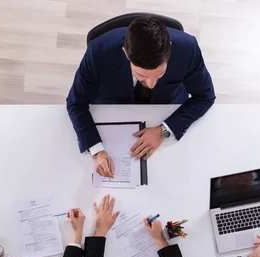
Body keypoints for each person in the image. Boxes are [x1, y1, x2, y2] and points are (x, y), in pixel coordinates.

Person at [67, 16, 216, 178]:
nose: (151, 84)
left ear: (170, 49)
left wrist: (163, 130)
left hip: (165, 109)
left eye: (159, 75)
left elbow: (205, 96)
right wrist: (96, 150)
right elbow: (75, 103)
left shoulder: (188, 48)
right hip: (113, 108)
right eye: (142, 76)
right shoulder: (98, 51)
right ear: (126, 53)